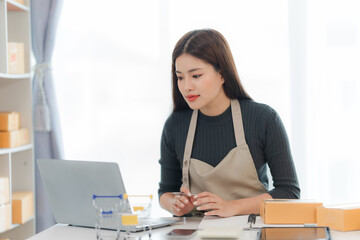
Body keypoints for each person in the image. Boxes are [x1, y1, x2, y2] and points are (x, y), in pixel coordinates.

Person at [158, 29, 300, 218]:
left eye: (196, 76)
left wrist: (232, 207)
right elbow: (165, 191)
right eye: (180, 77)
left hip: (252, 230)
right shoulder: (175, 125)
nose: (186, 87)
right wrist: (175, 205)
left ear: (222, 74)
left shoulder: (263, 118)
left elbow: (289, 193)